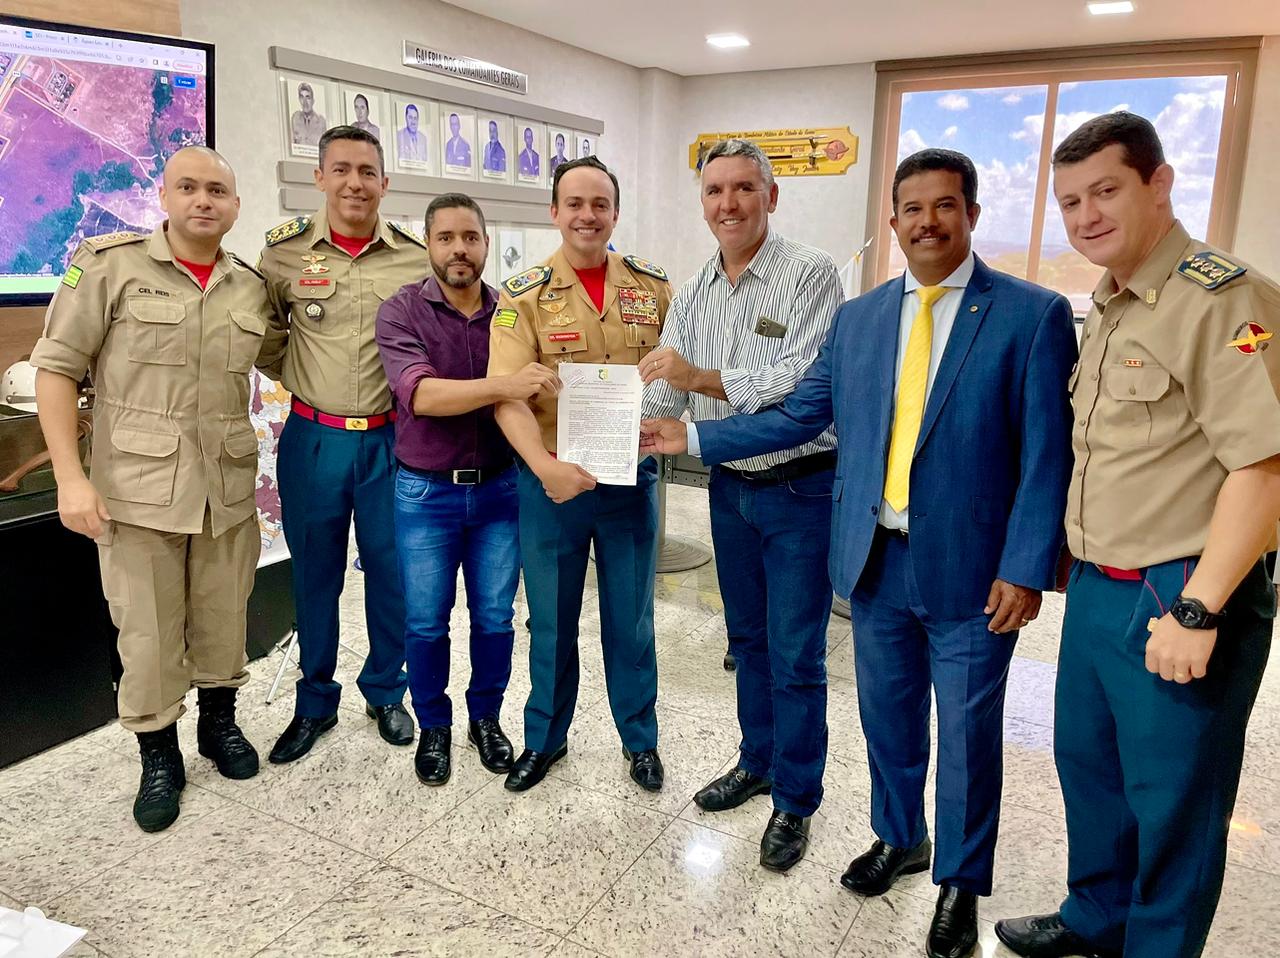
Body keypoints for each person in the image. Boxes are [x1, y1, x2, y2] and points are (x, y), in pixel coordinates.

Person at [643, 147, 1076, 958]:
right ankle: (899, 836)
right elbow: (800, 414)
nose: (927, 222)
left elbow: (1049, 456)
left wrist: (1026, 567)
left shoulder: (1031, 315)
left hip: (974, 571)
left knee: (968, 733)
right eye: (912, 209)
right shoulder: (864, 318)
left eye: (944, 206)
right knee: (888, 715)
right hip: (875, 558)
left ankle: (960, 884)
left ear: (972, 214)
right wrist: (692, 437)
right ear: (894, 221)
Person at [996, 113, 1280, 958]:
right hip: (1098, 585)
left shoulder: (1223, 299)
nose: (1086, 216)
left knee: (1175, 801)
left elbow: (1265, 465)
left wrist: (1199, 610)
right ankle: (1096, 918)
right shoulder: (1113, 303)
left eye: (1106, 191)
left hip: (1181, 590)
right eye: (1069, 201)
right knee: (1090, 770)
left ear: (1160, 184)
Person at [30, 147, 284, 832]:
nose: (204, 200)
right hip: (135, 492)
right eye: (189, 187)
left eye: (218, 191)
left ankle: (218, 725)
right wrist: (70, 478)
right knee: (146, 632)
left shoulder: (249, 287)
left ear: (235, 205)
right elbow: (55, 370)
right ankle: (159, 755)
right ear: (164, 197)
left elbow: (288, 358)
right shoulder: (109, 267)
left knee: (224, 620)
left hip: (224, 491)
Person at [640, 138, 844, 873]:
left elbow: (799, 383)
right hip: (730, 490)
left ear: (770, 197)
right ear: (702, 202)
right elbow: (666, 388)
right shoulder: (695, 289)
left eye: (743, 189)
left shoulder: (811, 274)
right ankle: (757, 760)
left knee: (796, 654)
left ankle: (796, 797)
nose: (727, 204)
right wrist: (601, 426)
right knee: (747, 642)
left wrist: (701, 378)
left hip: (800, 489)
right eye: (714, 191)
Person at [488, 156, 671, 794]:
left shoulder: (653, 287)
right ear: (554, 212)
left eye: (599, 204)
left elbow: (678, 371)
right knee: (551, 618)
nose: (587, 215)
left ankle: (640, 740)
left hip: (630, 482)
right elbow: (507, 397)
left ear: (615, 213)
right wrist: (544, 469)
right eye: (574, 203)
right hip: (553, 486)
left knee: (632, 620)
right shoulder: (522, 296)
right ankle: (544, 738)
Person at [258, 126, 430, 764]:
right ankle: (314, 701)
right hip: (314, 439)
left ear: (385, 182)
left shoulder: (415, 259)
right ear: (320, 177)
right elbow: (267, 337)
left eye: (366, 172)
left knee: (392, 573)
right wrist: (309, 383)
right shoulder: (283, 255)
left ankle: (386, 690)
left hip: (392, 440)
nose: (354, 183)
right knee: (314, 575)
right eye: (341, 170)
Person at [375, 193, 556, 785]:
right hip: (426, 495)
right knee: (427, 621)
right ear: (428, 243)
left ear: (485, 243)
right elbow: (422, 395)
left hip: (502, 492)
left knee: (496, 618)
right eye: (446, 238)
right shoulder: (401, 311)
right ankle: (434, 725)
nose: (460, 249)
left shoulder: (511, 311)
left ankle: (485, 719)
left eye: (470, 238)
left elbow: (541, 391)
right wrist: (506, 385)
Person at [291, 82, 326, 147]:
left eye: (308, 97)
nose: (305, 102)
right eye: (302, 97)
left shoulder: (321, 121)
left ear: (313, 100)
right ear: (299, 100)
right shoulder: (295, 118)